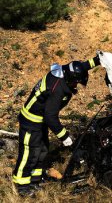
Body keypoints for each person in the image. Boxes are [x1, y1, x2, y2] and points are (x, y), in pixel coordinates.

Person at [12, 56, 101, 196]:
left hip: (40, 121)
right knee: (29, 152)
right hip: (31, 122)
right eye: (76, 83)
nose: (75, 86)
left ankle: (34, 181)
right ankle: (21, 186)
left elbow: (79, 67)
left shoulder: (64, 71)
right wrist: (64, 136)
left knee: (42, 150)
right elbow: (50, 117)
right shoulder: (58, 89)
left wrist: (96, 61)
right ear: (71, 79)